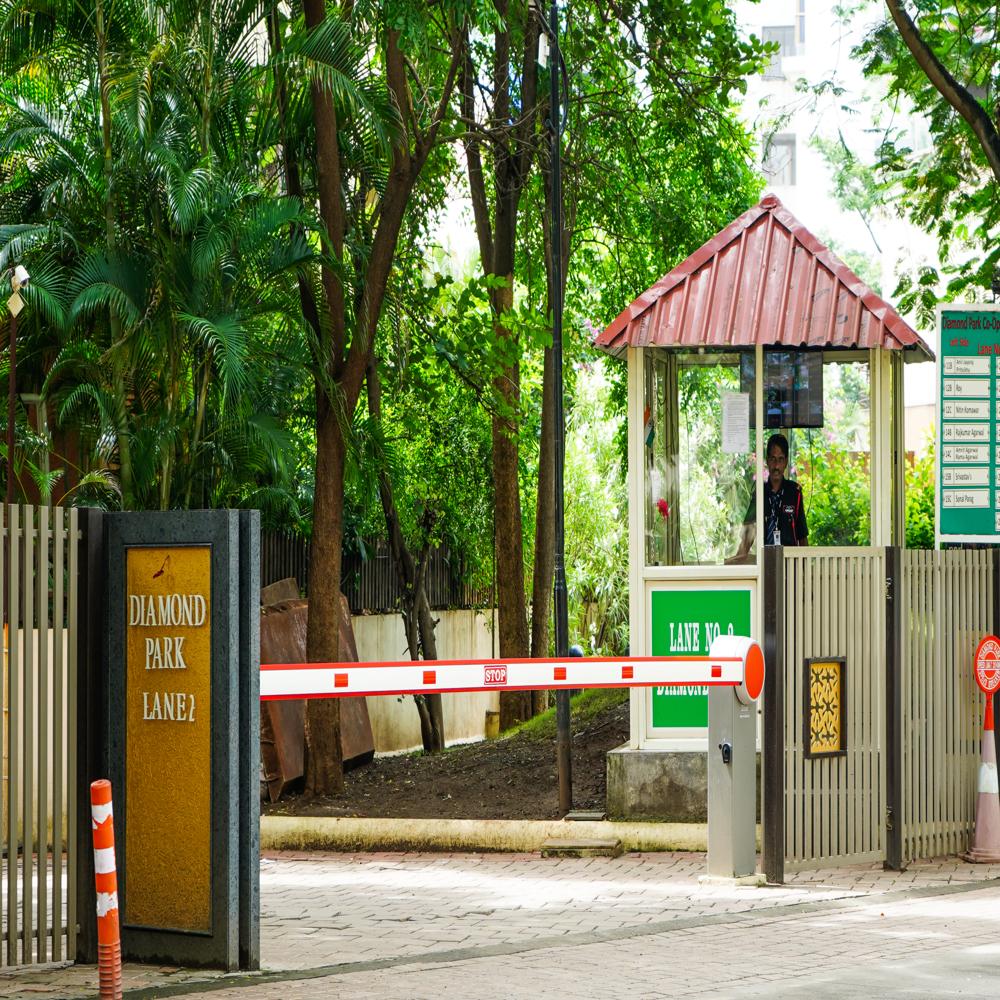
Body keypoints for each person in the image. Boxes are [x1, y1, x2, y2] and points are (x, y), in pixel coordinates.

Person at [732, 433, 807, 560]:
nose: (776, 466)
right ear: (767, 460)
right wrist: (736, 565)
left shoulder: (794, 493)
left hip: (790, 563)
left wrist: (803, 572)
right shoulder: (760, 493)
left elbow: (802, 538)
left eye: (780, 459)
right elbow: (746, 538)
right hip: (765, 562)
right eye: (773, 459)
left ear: (786, 462)